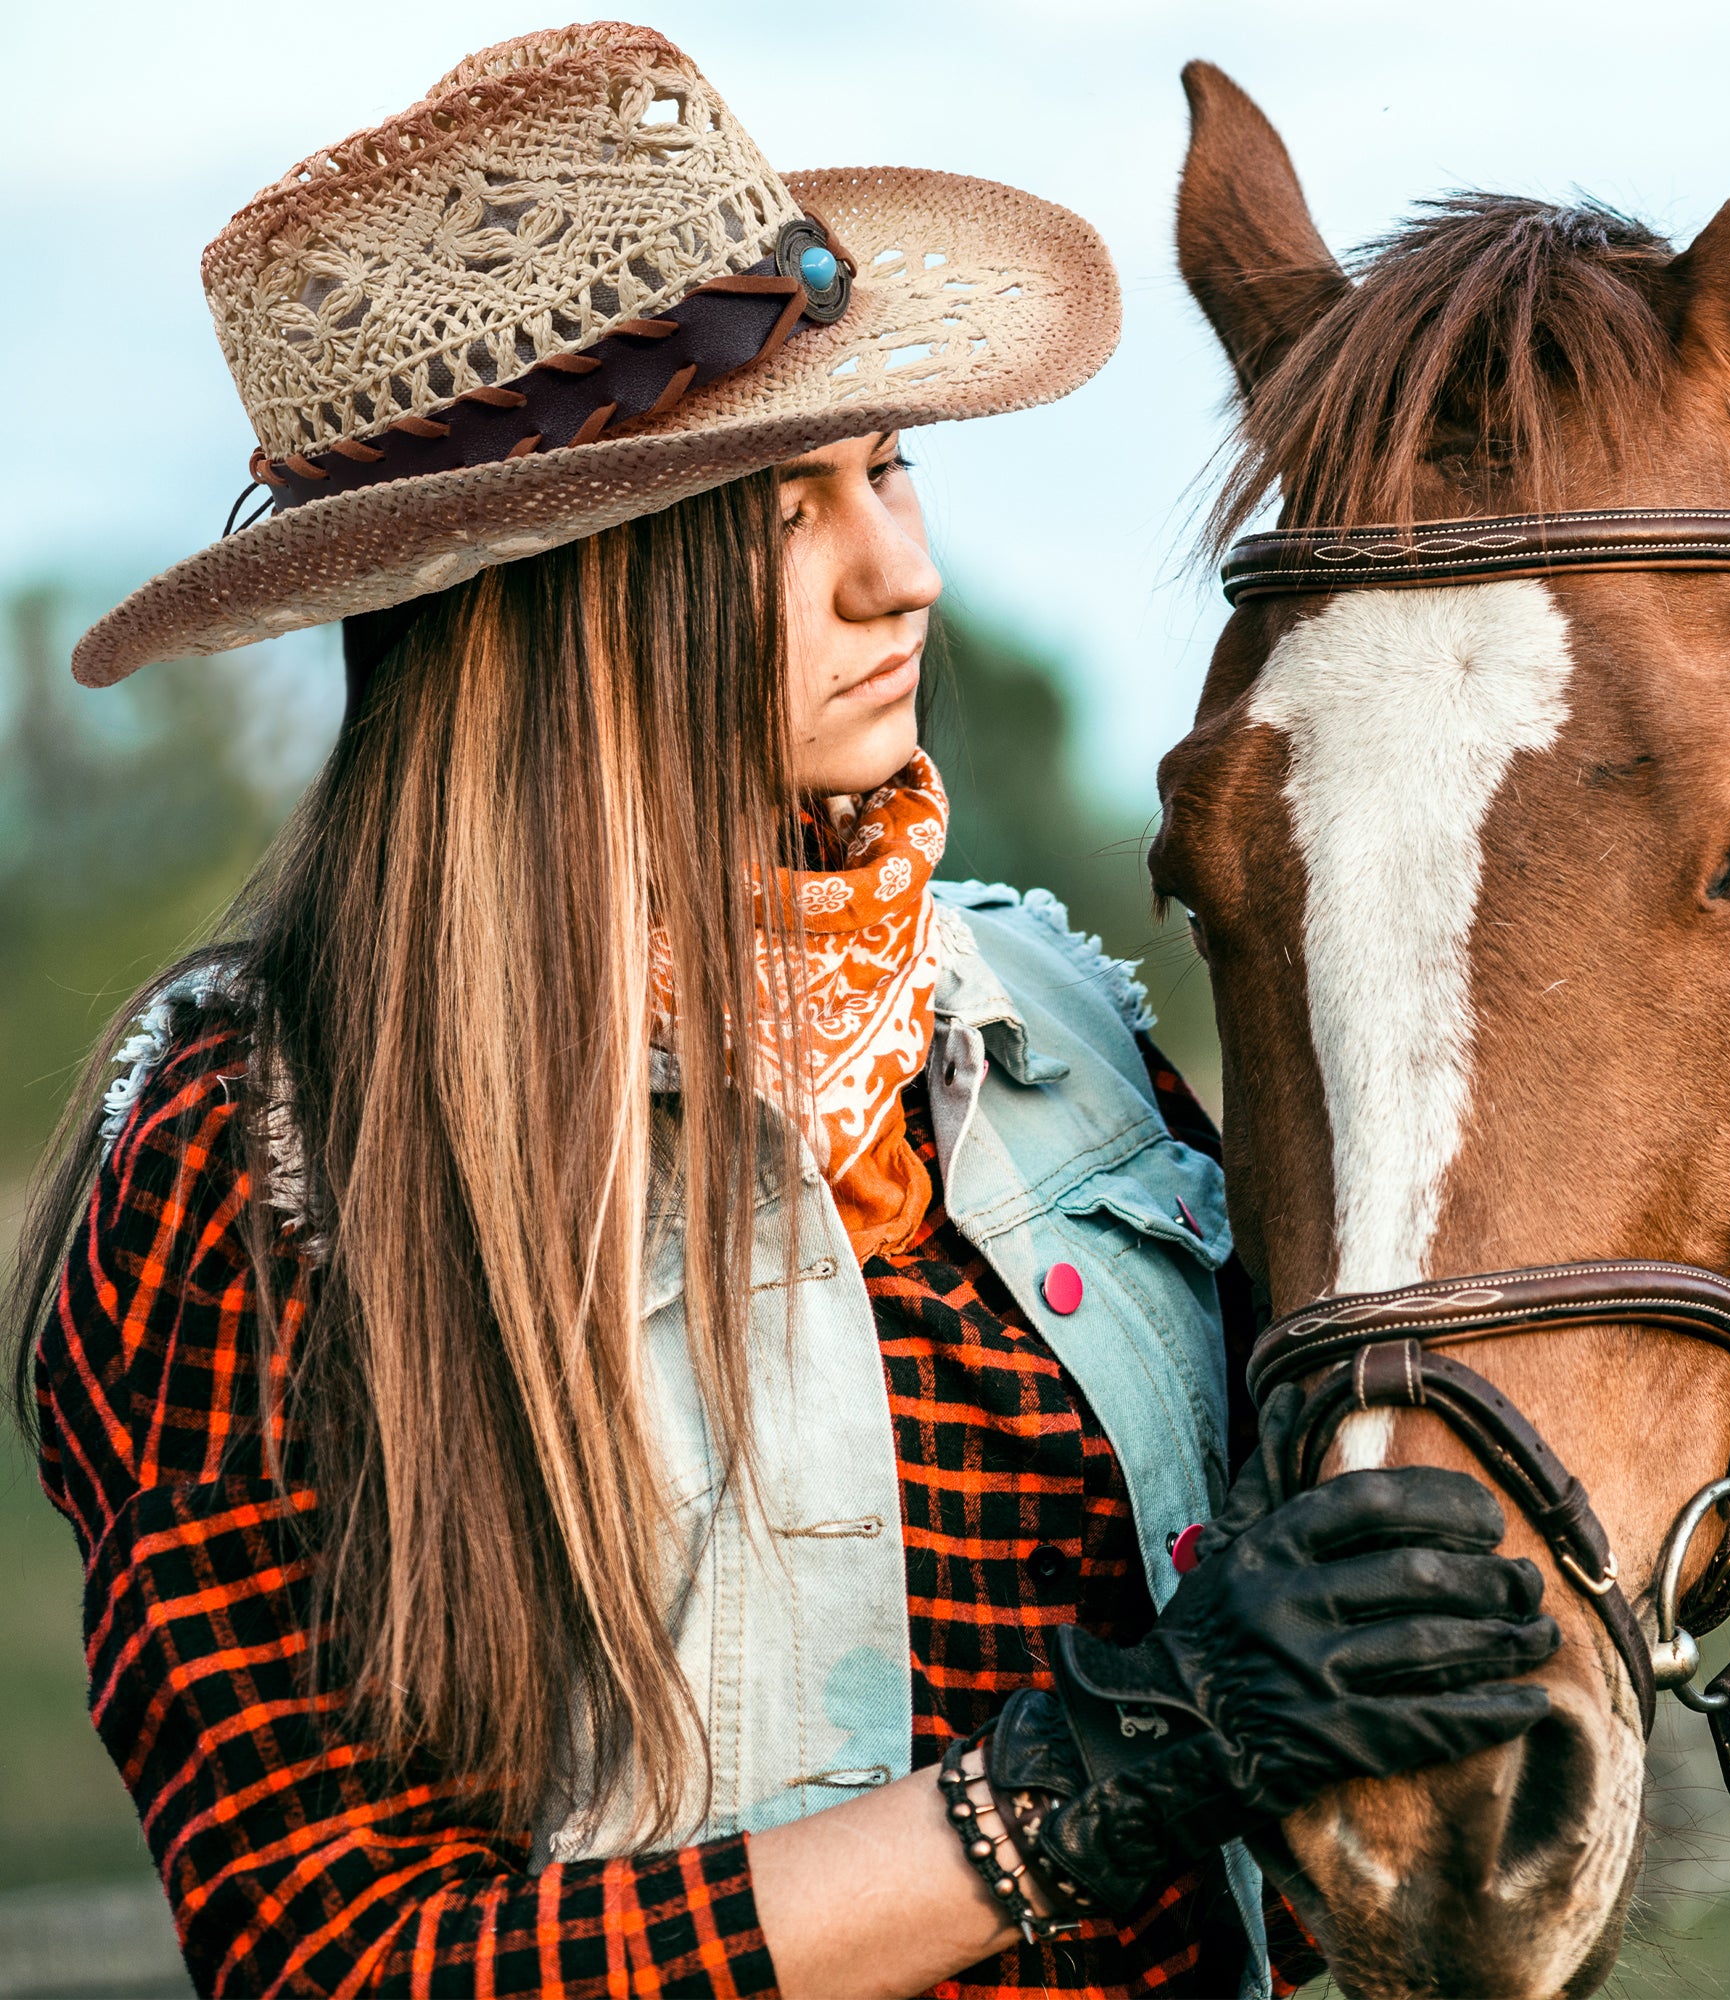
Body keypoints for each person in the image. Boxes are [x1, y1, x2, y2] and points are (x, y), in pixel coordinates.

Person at [8, 26, 1561, 1998]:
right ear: (554, 599)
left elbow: (1370, 1645)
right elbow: (343, 1958)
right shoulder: (265, 1170)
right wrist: (1091, 1784)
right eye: (777, 511)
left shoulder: (1060, 1037)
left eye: (886, 469)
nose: (900, 576)